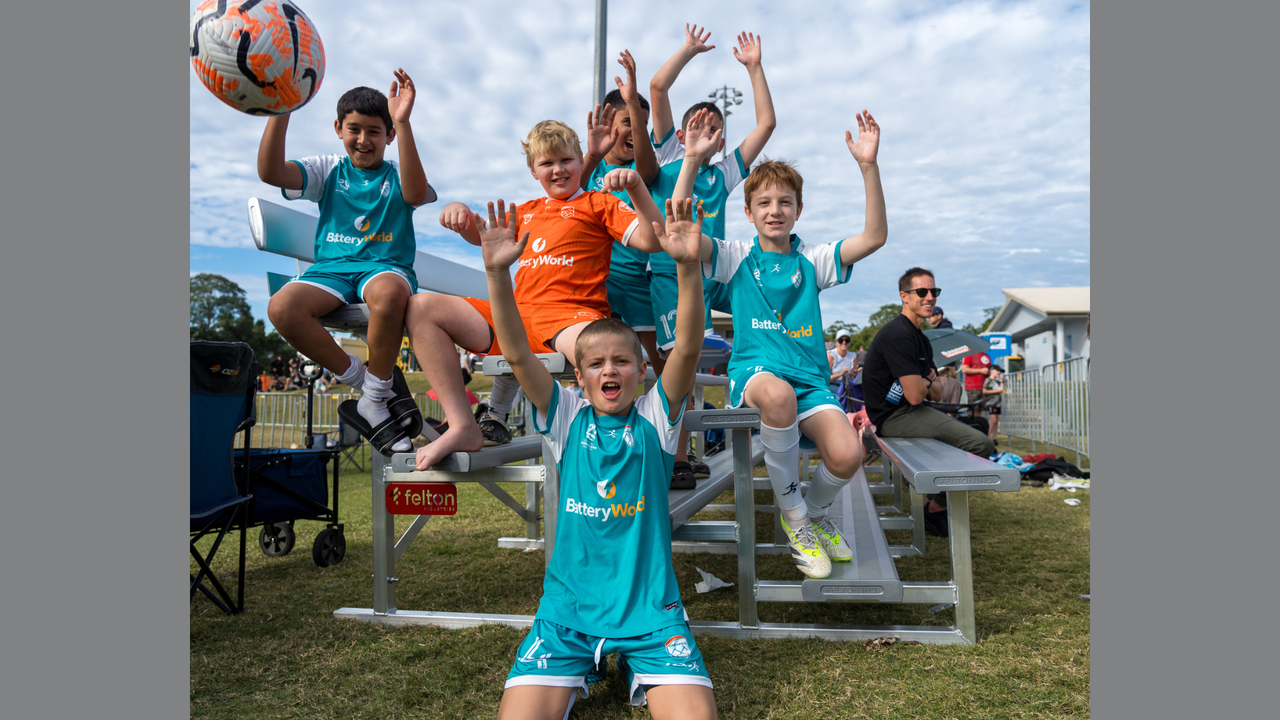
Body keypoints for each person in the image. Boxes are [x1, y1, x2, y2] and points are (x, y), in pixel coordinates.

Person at [482, 195, 717, 719]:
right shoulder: (565, 416)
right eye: (595, 364)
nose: (608, 371)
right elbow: (518, 353)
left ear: (640, 371)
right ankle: (586, 664)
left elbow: (687, 348)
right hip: (567, 617)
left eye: (620, 362)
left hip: (651, 617)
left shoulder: (657, 418)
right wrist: (499, 274)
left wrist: (686, 267)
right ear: (580, 376)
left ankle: (637, 662)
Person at [405, 120, 669, 471]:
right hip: (516, 318)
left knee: (606, 353)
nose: (558, 170)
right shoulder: (526, 211)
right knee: (421, 306)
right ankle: (463, 424)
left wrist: (636, 188)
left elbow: (652, 240)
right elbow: (482, 234)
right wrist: (459, 213)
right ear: (533, 171)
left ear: (581, 161)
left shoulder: (597, 203)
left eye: (565, 161)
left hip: (571, 317)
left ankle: (621, 448)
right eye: (547, 163)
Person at [696, 107, 887, 579]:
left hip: (810, 381)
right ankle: (796, 518)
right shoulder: (735, 257)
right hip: (757, 374)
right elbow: (683, 242)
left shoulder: (812, 260)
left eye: (784, 202)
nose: (774, 210)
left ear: (798, 209)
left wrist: (868, 166)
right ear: (748, 212)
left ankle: (814, 511)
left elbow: (875, 237)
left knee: (849, 455)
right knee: (777, 394)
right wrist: (693, 170)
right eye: (763, 203)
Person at [258, 70, 434, 453]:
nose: (363, 139)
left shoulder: (399, 173)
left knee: (388, 294)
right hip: (332, 271)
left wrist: (402, 122)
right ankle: (370, 388)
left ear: (388, 136)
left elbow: (418, 194)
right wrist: (281, 109)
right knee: (282, 307)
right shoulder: (328, 169)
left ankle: (374, 397)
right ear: (338, 128)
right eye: (354, 129)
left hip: (385, 267)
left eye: (375, 131)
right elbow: (271, 173)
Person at [647, 27, 777, 488]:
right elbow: (658, 88)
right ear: (680, 135)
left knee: (765, 287)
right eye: (696, 128)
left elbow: (765, 125)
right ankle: (675, 458)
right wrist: (688, 50)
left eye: (714, 131)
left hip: (710, 272)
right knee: (678, 365)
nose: (705, 135)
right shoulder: (667, 155)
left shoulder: (722, 174)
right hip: (669, 272)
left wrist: (754, 68)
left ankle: (765, 379)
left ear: (722, 142)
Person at [861, 268, 996, 537]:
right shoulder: (898, 335)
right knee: (980, 443)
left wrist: (923, 383)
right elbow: (917, 394)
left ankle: (932, 504)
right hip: (895, 417)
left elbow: (936, 391)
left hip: (914, 410)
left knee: (974, 437)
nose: (929, 297)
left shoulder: (920, 338)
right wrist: (926, 382)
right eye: (921, 292)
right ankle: (935, 506)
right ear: (904, 296)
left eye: (934, 291)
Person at [579, 50, 669, 373]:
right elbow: (571, 190)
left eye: (643, 124)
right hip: (597, 281)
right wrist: (591, 155)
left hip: (638, 282)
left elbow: (646, 169)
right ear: (607, 123)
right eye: (628, 123)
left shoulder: (642, 170)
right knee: (599, 362)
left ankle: (670, 424)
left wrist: (633, 103)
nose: (636, 130)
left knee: (665, 371)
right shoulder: (590, 166)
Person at [961, 347, 992, 415]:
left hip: (984, 387)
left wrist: (990, 372)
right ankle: (971, 425)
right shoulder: (969, 355)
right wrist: (980, 370)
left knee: (979, 410)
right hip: (972, 387)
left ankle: (978, 424)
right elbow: (964, 369)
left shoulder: (986, 356)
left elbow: (990, 369)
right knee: (973, 410)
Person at [828, 329, 858, 394]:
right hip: (834, 385)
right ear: (836, 342)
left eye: (847, 340)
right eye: (841, 340)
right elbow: (826, 378)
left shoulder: (853, 356)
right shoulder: (831, 355)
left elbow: (852, 376)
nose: (844, 342)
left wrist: (857, 373)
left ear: (850, 341)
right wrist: (840, 373)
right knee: (843, 393)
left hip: (848, 385)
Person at [983, 365, 1005, 439]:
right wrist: (998, 391)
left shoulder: (998, 381)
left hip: (997, 403)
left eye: (1000, 371)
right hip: (991, 403)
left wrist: (1002, 380)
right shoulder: (988, 380)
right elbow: (984, 391)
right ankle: (988, 436)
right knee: (993, 420)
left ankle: (994, 437)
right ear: (992, 371)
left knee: (996, 421)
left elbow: (1002, 390)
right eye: (997, 370)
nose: (999, 372)